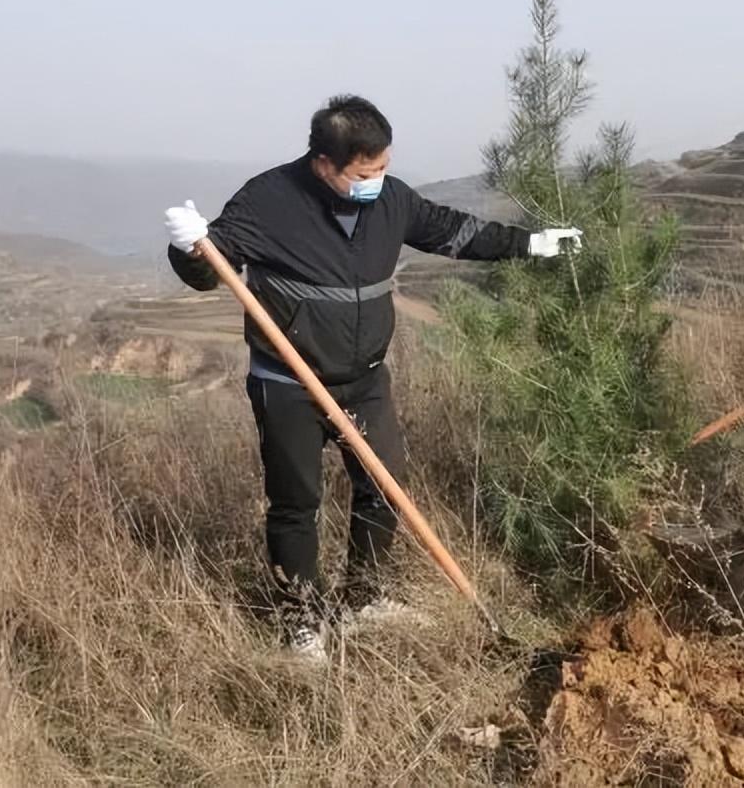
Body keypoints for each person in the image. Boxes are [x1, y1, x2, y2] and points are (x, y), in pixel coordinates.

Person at [163, 95, 581, 661]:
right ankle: (302, 619)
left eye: (383, 168)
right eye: (365, 173)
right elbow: (212, 268)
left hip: (363, 378)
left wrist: (532, 244)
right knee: (296, 503)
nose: (377, 181)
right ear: (324, 164)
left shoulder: (392, 200)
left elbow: (456, 233)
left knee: (385, 488)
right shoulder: (269, 201)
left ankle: (362, 598)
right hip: (290, 382)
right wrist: (189, 248)